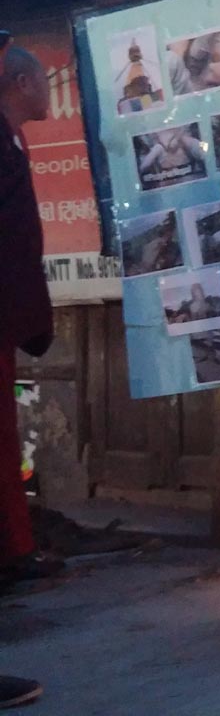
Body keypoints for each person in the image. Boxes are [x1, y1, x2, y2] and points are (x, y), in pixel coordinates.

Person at [0, 44, 63, 589]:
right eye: (43, 80)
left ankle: (16, 545)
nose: (49, 93)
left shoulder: (11, 138)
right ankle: (12, 551)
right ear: (21, 82)